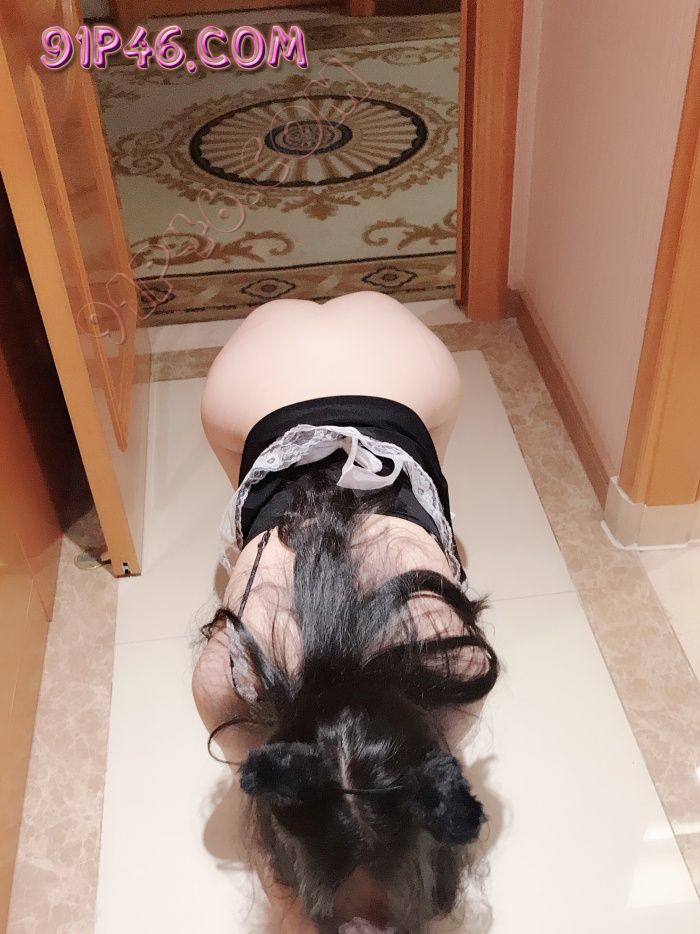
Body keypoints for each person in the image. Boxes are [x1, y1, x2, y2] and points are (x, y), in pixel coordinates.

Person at [192, 291, 500, 933]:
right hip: (309, 376)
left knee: (259, 518)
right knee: (259, 518)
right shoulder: (226, 681)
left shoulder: (454, 664)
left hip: (337, 372)